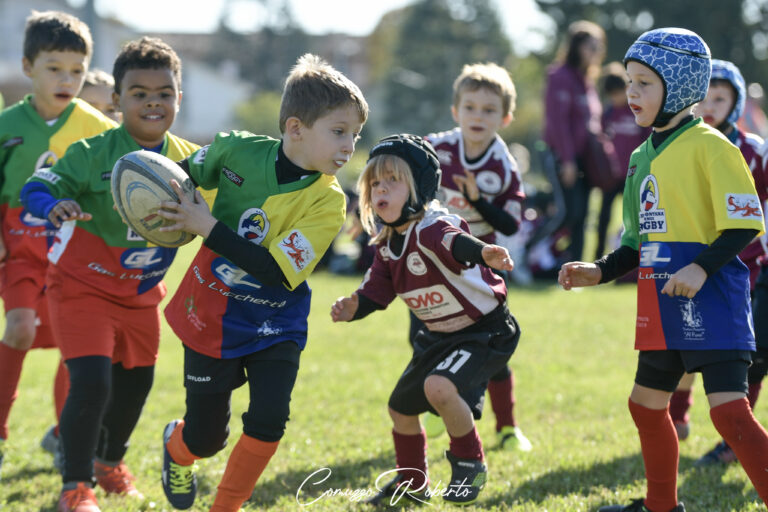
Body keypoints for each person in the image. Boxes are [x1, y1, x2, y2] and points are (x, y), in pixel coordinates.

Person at [559, 28, 768, 512]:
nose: (631, 93)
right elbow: (636, 240)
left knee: (731, 414)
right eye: (629, 81)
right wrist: (599, 269)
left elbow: (744, 224)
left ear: (680, 87)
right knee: (645, 406)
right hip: (660, 300)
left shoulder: (713, 146)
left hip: (713, 299)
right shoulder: (637, 159)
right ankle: (661, 508)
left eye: (645, 83)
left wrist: (700, 268)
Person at [157, 53, 367, 512]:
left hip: (277, 319)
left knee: (269, 418)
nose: (350, 145)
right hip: (211, 310)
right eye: (339, 131)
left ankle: (225, 507)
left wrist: (207, 226)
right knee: (206, 437)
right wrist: (155, 201)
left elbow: (274, 270)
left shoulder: (329, 203)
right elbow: (182, 179)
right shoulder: (234, 150)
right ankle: (177, 447)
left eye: (355, 134)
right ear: (295, 128)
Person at [21, 36, 198, 512]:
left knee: (136, 384)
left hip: (142, 292)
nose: (153, 102)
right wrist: (54, 204)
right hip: (80, 287)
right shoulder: (93, 151)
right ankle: (75, 488)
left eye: (164, 92)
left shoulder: (193, 162)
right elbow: (36, 186)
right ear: (117, 101)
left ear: (178, 98)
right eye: (139, 93)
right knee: (93, 383)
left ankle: (108, 464)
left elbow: (227, 211)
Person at [332, 134, 520, 506]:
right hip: (438, 337)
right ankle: (412, 483)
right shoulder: (387, 244)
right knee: (400, 408)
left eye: (393, 180)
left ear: (418, 188)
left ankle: (470, 462)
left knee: (438, 388)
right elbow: (377, 290)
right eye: (375, 183)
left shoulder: (432, 226)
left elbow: (455, 243)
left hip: (485, 332)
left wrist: (484, 252)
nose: (381, 188)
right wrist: (354, 306)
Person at [0, 10, 115, 479]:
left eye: (76, 70)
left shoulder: (97, 128)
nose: (67, 79)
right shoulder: (7, 125)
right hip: (20, 250)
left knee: (76, 349)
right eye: (54, 68)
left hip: (72, 253)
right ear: (28, 66)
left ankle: (69, 440)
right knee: (20, 328)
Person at [419, 62, 530, 451]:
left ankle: (507, 427)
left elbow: (512, 226)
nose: (477, 116)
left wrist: (478, 200)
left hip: (481, 264)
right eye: (470, 107)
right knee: (426, 337)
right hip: (432, 261)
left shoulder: (503, 166)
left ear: (505, 116)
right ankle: (436, 408)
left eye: (488, 110)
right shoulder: (434, 148)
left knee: (492, 346)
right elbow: (398, 168)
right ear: (456, 111)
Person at [666, 60, 768, 462]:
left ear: (737, 102)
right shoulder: (681, 143)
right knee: (684, 338)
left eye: (721, 97)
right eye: (704, 97)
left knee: (749, 349)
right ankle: (677, 416)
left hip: (744, 266)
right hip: (691, 258)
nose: (710, 105)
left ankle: (737, 437)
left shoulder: (755, 152)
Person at [543, 20, 606, 262]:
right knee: (566, 212)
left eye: (599, 47)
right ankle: (524, 253)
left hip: (585, 159)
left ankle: (577, 267)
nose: (597, 52)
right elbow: (557, 123)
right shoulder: (559, 76)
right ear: (576, 47)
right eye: (591, 46)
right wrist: (567, 160)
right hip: (563, 156)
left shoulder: (586, 80)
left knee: (582, 215)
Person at [595, 62, 651, 260]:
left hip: (634, 174)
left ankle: (638, 256)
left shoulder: (637, 110)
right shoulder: (608, 113)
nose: (616, 98)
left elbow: (647, 139)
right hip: (612, 175)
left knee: (637, 218)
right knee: (603, 218)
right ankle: (598, 257)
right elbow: (600, 139)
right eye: (611, 95)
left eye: (618, 93)